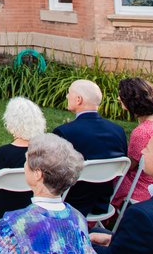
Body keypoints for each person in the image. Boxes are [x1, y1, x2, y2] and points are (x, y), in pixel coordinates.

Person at [0, 133, 99, 254]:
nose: (24, 165)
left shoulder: (16, 222)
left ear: (38, 174)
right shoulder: (78, 218)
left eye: (26, 161)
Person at [52, 79, 128, 217]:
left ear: (78, 100)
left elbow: (53, 172)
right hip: (102, 203)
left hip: (68, 203)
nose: (67, 97)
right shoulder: (118, 131)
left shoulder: (64, 132)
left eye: (69, 93)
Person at [111, 77, 153, 207]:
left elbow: (129, 166)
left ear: (132, 101)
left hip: (143, 184)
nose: (118, 98)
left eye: (121, 96)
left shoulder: (142, 132)